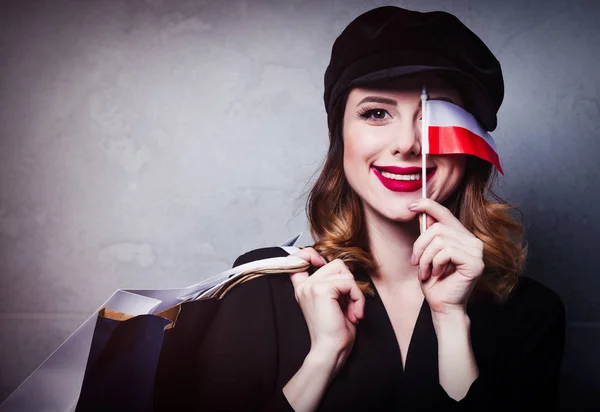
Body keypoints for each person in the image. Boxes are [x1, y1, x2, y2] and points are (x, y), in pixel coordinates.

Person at [184, 6, 565, 411]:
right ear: (340, 138)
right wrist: (323, 357)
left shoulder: (531, 313)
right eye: (376, 113)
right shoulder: (259, 289)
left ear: (469, 150)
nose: (407, 144)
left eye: (434, 115)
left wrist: (451, 323)